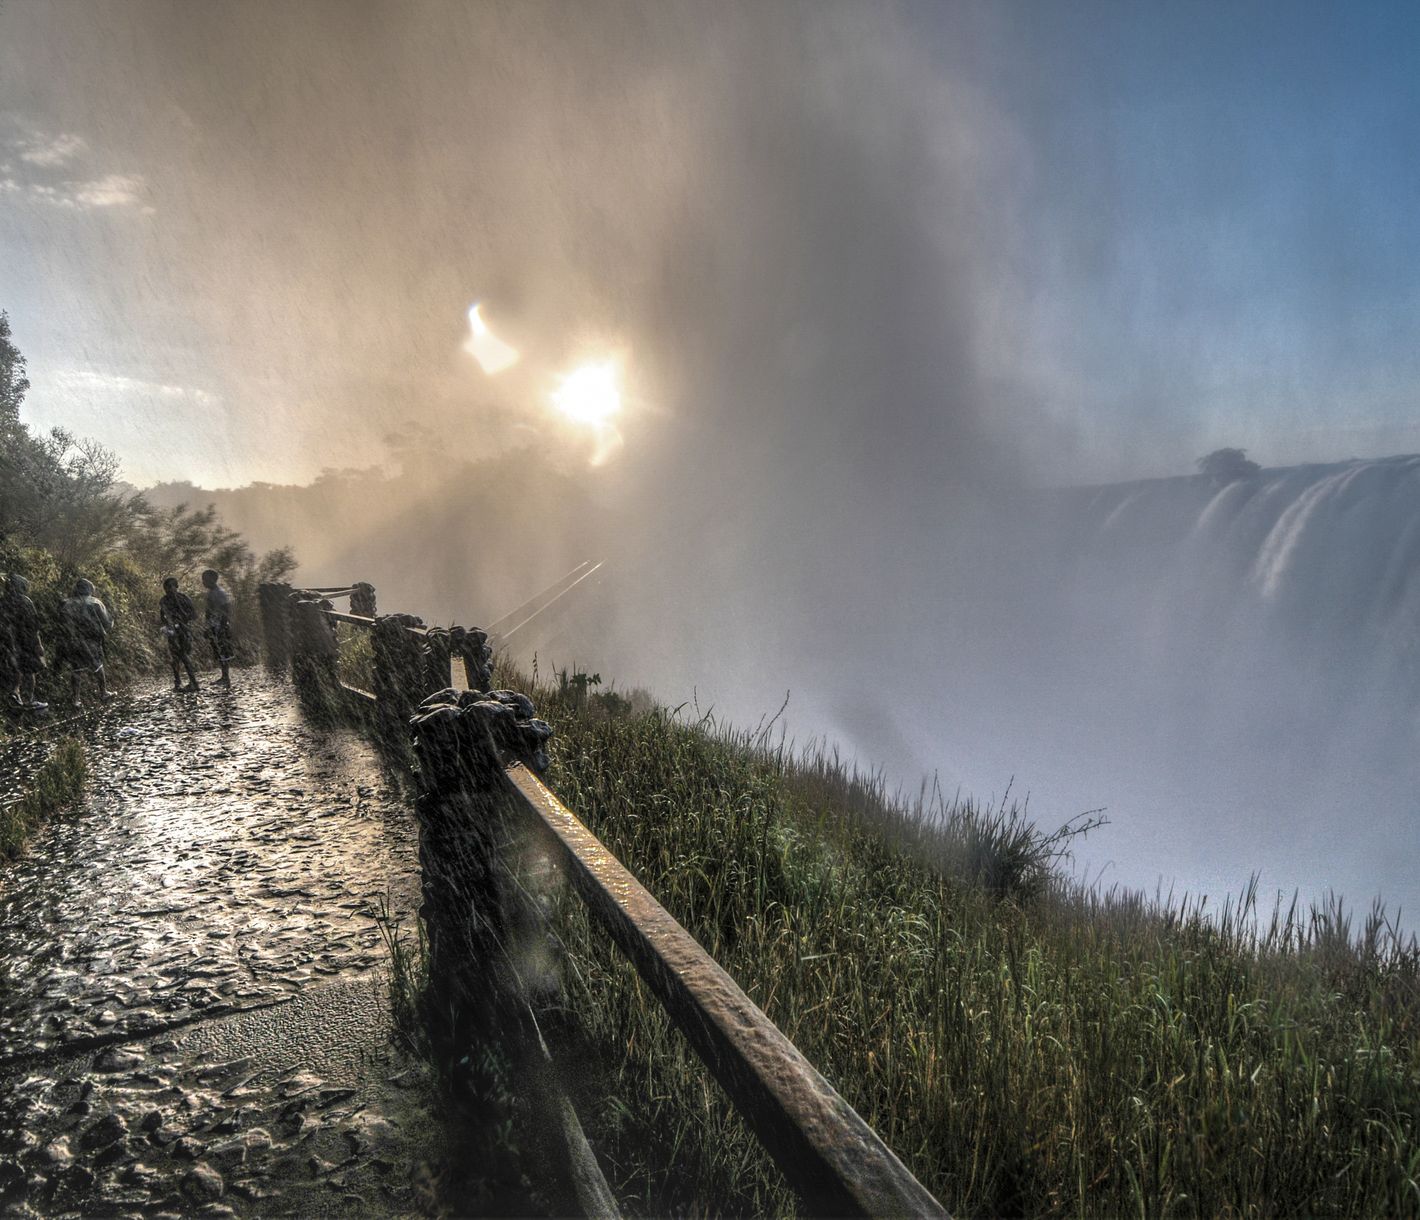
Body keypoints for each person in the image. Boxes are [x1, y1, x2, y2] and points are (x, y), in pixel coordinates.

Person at [59, 578, 115, 707]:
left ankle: (75, 699)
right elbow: (107, 622)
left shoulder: (67, 603)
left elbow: (62, 623)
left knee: (76, 669)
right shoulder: (95, 603)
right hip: (92, 640)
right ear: (90, 589)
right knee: (98, 665)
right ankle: (103, 692)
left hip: (73, 640)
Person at [1, 573, 47, 712]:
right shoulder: (25, 601)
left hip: (6, 640)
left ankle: (15, 694)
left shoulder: (3, 601)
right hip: (24, 640)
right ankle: (29, 700)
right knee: (29, 669)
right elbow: (33, 626)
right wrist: (38, 644)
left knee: (15, 667)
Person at [158, 576, 200, 693]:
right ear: (165, 589)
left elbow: (193, 615)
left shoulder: (184, 598)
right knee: (175, 658)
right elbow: (163, 616)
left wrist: (181, 616)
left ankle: (194, 683)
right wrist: (169, 624)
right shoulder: (164, 600)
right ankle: (177, 682)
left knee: (184, 656)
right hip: (173, 632)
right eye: (167, 587)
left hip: (184, 631)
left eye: (172, 586)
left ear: (177, 587)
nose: (170, 589)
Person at [201, 568, 234, 687]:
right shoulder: (211, 592)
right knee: (219, 651)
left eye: (205, 579)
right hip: (214, 625)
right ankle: (224, 677)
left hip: (219, 625)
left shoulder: (219, 593)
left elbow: (226, 610)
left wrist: (223, 626)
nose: (203, 582)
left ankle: (226, 677)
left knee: (223, 650)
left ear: (212, 579)